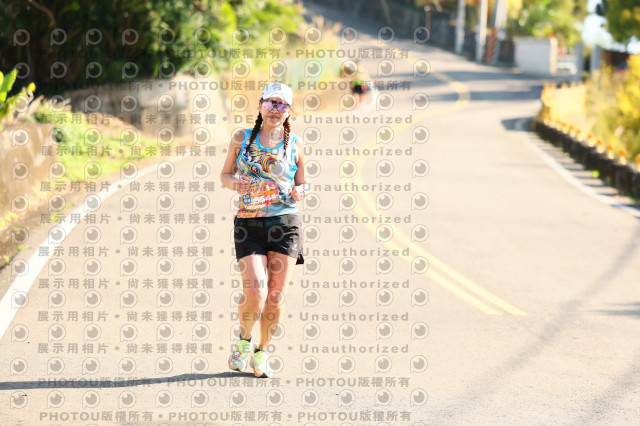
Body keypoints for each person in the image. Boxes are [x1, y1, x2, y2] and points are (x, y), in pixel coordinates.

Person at [220, 82, 308, 378]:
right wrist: (235, 183)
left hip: (285, 223)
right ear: (260, 105)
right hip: (249, 223)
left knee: (275, 296)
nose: (275, 109)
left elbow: (303, 182)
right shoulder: (241, 138)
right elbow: (225, 175)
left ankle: (261, 351)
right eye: (270, 102)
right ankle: (243, 341)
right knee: (255, 291)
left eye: (281, 104)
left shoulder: (295, 144)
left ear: (288, 111)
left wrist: (301, 191)